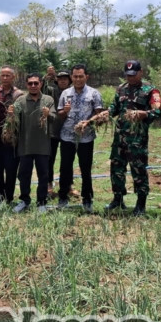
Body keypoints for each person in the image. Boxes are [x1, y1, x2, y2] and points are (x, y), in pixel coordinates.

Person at [104, 60, 161, 216]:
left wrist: (145, 114)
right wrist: (105, 114)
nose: (130, 78)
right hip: (120, 138)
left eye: (133, 75)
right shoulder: (121, 89)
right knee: (116, 169)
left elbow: (158, 111)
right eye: (127, 75)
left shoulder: (151, 90)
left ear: (141, 72)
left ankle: (140, 204)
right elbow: (114, 108)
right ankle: (118, 199)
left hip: (137, 140)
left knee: (139, 171)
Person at [57, 64, 104, 213]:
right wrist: (64, 111)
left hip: (86, 137)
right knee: (65, 168)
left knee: (85, 168)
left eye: (80, 76)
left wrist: (89, 122)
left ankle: (87, 199)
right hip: (67, 136)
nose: (77, 79)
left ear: (86, 77)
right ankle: (63, 197)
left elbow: (100, 115)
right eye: (75, 76)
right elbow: (60, 114)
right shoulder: (65, 93)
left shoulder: (94, 93)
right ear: (71, 77)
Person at [11, 73, 56, 213]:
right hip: (25, 145)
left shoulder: (48, 100)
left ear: (41, 84)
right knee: (24, 174)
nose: (33, 86)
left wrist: (48, 114)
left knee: (43, 174)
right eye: (30, 83)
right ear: (26, 84)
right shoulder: (20, 101)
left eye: (36, 83)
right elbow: (14, 122)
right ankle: (25, 200)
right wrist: (10, 114)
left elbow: (54, 118)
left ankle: (41, 202)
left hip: (43, 145)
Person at [0, 66, 24, 204]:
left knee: (11, 169)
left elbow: (22, 115)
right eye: (3, 75)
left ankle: (9, 197)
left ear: (13, 77)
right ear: (0, 77)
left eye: (8, 75)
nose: (5, 78)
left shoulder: (19, 95)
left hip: (12, 139)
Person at [43, 69, 70, 193]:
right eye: (60, 79)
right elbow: (42, 87)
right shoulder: (52, 91)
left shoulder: (73, 92)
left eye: (65, 78)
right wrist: (47, 77)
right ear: (56, 80)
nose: (63, 81)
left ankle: (68, 184)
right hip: (53, 130)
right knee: (50, 158)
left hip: (68, 130)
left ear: (69, 80)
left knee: (67, 160)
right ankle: (49, 183)